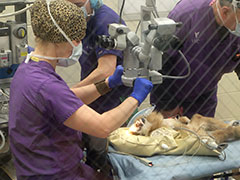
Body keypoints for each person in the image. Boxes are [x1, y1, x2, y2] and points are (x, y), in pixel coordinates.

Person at [8, 0, 153, 180]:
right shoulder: (47, 85)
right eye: (75, 39)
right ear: (58, 38)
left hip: (33, 170)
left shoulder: (28, 68)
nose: (77, 45)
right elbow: (103, 127)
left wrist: (107, 84)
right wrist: (136, 97)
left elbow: (66, 99)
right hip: (57, 175)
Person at [66, 0, 134, 173]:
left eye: (77, 3)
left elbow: (106, 71)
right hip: (93, 97)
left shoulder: (106, 22)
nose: (73, 8)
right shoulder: (82, 20)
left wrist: (70, 94)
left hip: (111, 99)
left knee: (104, 157)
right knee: (91, 153)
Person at [150, 0, 240, 119]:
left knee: (202, 134)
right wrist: (167, 105)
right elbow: (161, 62)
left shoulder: (234, 26)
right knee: (168, 135)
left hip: (204, 95)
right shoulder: (187, 14)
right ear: (225, 12)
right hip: (171, 91)